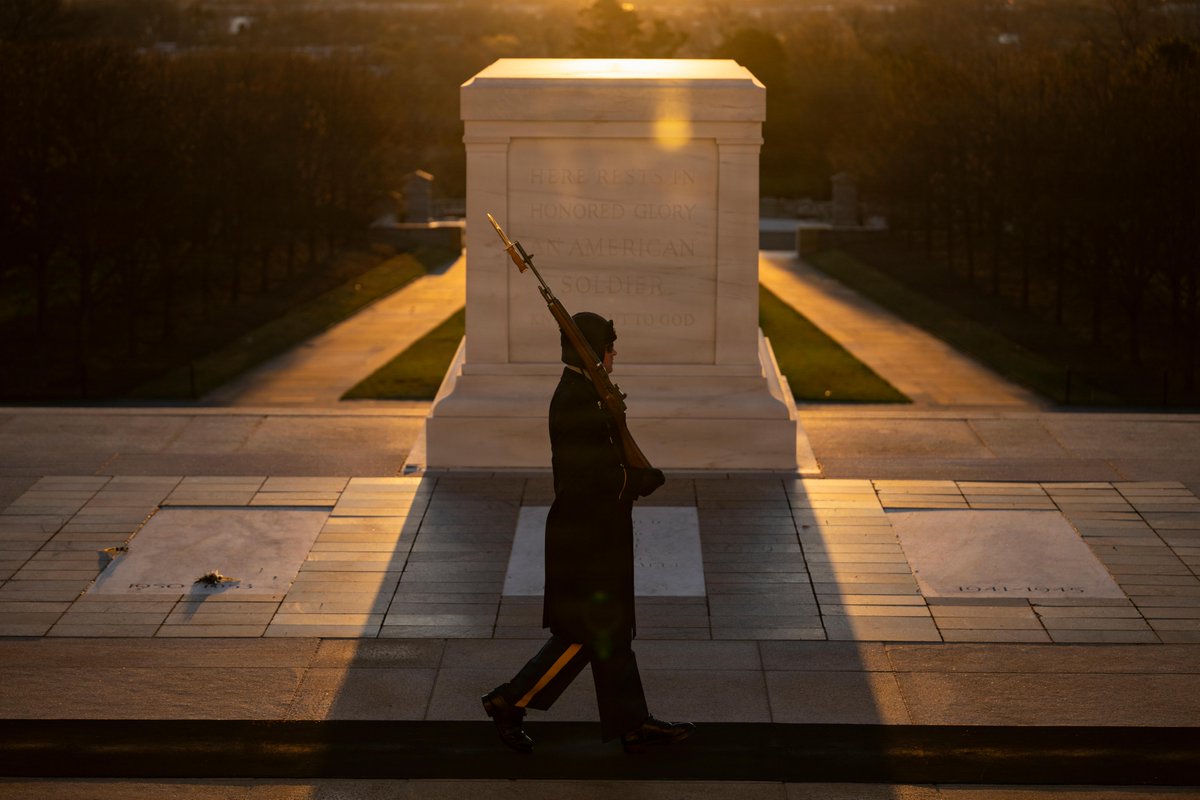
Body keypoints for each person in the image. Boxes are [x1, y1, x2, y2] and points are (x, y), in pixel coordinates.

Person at [481, 311, 695, 754]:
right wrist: (636, 481)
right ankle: (510, 700)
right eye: (609, 346)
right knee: (583, 634)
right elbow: (587, 480)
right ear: (593, 353)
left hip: (598, 533)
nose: (614, 353)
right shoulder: (577, 401)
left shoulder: (587, 394)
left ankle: (633, 723)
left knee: (612, 633)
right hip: (586, 538)